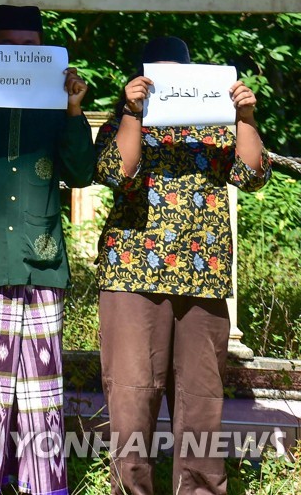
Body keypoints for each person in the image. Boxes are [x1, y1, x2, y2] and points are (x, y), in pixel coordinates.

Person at [95, 36, 269, 495]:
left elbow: (252, 175)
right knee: (132, 403)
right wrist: (133, 113)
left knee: (201, 408)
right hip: (131, 275)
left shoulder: (218, 122)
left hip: (203, 278)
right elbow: (118, 172)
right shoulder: (123, 120)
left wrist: (245, 118)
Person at [0, 5, 95, 495]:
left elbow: (80, 173)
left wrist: (74, 109)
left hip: (41, 261)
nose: (21, 57)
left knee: (40, 394)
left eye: (31, 50)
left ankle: (41, 487)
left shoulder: (56, 107)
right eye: (10, 49)